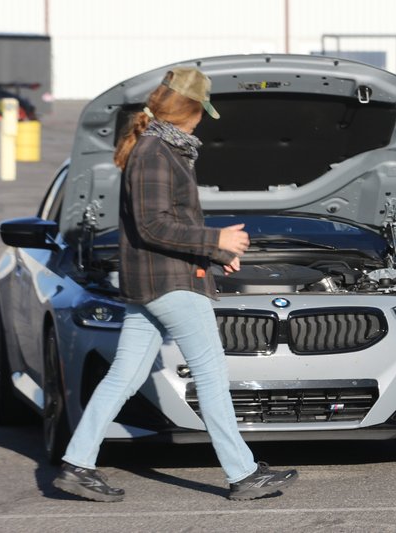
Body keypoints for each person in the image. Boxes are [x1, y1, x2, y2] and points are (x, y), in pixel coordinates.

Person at [53, 67, 298, 502]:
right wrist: (216, 239)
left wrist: (219, 251)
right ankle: (243, 474)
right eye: (202, 110)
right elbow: (152, 226)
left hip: (153, 283)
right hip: (169, 284)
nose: (203, 119)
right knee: (211, 374)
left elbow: (165, 225)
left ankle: (77, 464)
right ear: (188, 109)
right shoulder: (154, 151)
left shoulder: (161, 148)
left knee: (124, 376)